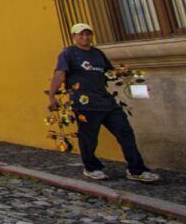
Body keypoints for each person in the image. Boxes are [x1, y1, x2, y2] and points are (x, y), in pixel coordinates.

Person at [48, 23, 159, 182]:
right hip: (84, 103)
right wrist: (52, 96)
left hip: (107, 102)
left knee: (125, 133)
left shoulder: (98, 53)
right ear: (74, 37)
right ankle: (91, 167)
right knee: (89, 137)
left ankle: (136, 169)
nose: (85, 37)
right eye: (81, 35)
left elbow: (108, 73)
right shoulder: (68, 54)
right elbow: (60, 74)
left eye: (88, 34)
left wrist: (121, 73)